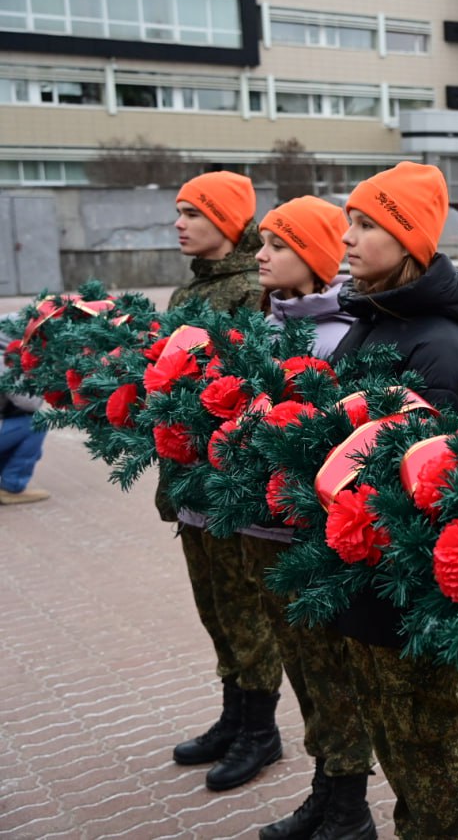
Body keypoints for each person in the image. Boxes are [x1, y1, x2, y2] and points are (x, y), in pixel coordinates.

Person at [328, 161, 458, 839]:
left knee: (428, 754)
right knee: (395, 751)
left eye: (366, 225)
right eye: (348, 222)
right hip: (359, 577)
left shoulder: (442, 346)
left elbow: (437, 487)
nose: (347, 238)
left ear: (408, 240)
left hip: (408, 595)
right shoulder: (369, 321)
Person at [244, 196, 377, 840]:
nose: (261, 255)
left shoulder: (338, 337)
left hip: (310, 536)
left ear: (315, 256)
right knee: (302, 670)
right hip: (258, 526)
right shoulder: (264, 325)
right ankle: (325, 791)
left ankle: (348, 806)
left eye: (279, 244)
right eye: (262, 241)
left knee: (331, 676)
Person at [167, 172, 286, 793]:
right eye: (179, 211)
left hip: (230, 482)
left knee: (246, 609)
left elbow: (250, 385)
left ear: (227, 220)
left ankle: (260, 730)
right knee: (214, 605)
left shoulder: (251, 290)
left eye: (193, 212)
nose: (180, 223)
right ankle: (233, 715)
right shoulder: (187, 292)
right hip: (187, 475)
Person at [0, 313, 49, 505]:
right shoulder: (3, 361)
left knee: (21, 432)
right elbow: (29, 402)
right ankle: (11, 487)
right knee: (35, 424)